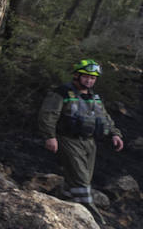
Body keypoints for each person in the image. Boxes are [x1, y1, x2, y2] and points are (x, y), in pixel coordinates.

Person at [37, 58, 124, 216]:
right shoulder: (62, 93)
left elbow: (105, 118)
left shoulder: (94, 97)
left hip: (89, 143)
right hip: (68, 140)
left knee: (76, 182)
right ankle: (93, 217)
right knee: (81, 182)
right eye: (86, 77)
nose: (89, 80)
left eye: (93, 78)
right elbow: (48, 115)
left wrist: (115, 134)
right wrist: (49, 136)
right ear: (77, 75)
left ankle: (61, 207)